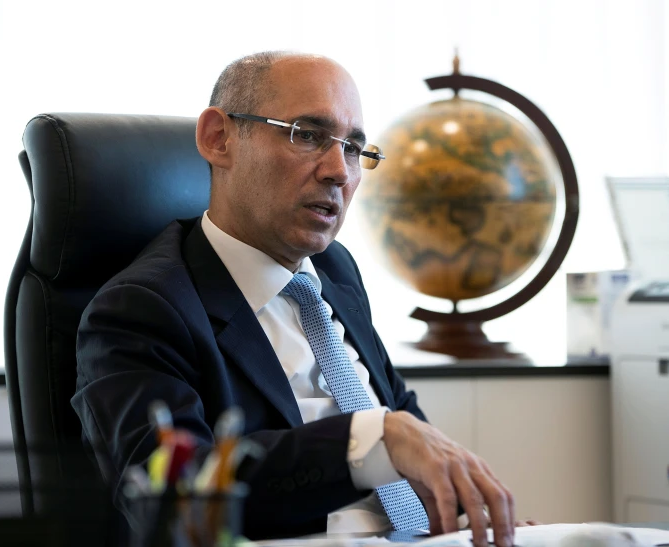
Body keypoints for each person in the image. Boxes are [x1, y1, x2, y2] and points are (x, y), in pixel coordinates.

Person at [72, 51, 518, 545]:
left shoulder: (336, 271)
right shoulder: (143, 309)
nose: (339, 172)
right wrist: (370, 440)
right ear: (218, 139)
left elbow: (408, 430)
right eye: (307, 135)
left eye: (353, 148)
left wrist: (470, 515)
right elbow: (177, 499)